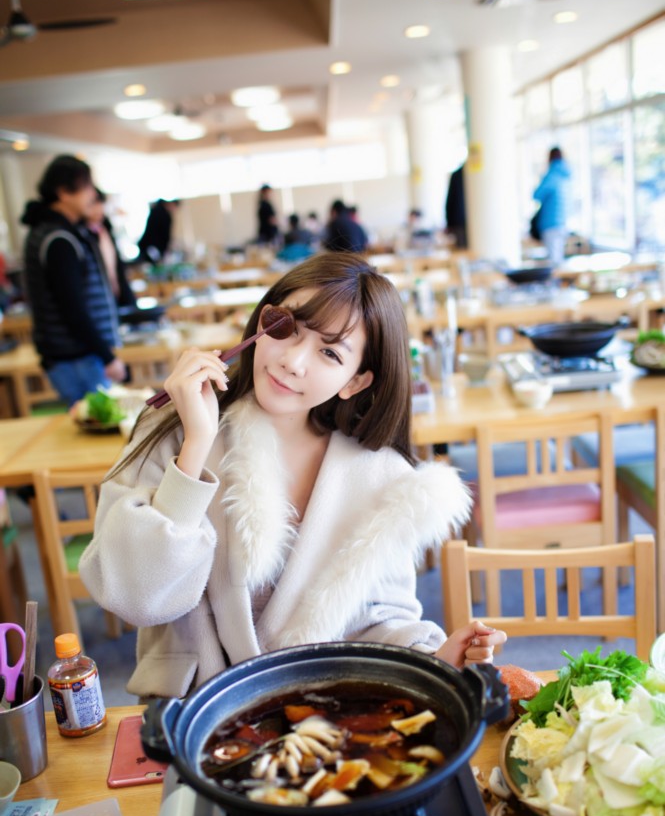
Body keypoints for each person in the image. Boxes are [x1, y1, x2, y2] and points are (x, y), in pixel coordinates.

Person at [79, 253, 506, 700]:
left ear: (355, 382)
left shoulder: (382, 478)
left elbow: (378, 619)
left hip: (318, 715)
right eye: (286, 328)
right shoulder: (173, 429)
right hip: (194, 713)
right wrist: (196, 448)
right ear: (263, 321)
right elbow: (134, 597)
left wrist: (433, 659)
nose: (293, 361)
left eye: (329, 352)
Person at [21, 155, 126, 406]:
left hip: (75, 355)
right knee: (98, 423)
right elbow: (73, 308)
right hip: (77, 357)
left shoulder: (59, 231)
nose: (93, 194)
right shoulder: (59, 239)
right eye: (86, 186)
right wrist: (107, 356)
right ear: (63, 193)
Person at [85, 188, 137, 314]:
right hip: (97, 303)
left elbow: (117, 268)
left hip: (114, 295)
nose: (99, 209)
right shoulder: (83, 236)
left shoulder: (105, 230)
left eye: (100, 203)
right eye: (93, 204)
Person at [533, 147, 571, 269]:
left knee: (554, 262)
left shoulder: (551, 175)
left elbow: (536, 195)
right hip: (563, 221)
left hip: (550, 222)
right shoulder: (566, 175)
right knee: (558, 257)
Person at [136, 198, 179, 263]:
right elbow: (165, 235)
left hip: (147, 246)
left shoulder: (156, 210)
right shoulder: (164, 215)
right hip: (153, 247)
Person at [445, 165, 467, 249]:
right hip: (459, 223)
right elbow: (451, 201)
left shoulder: (457, 175)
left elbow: (450, 201)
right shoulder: (458, 175)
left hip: (459, 222)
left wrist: (449, 224)